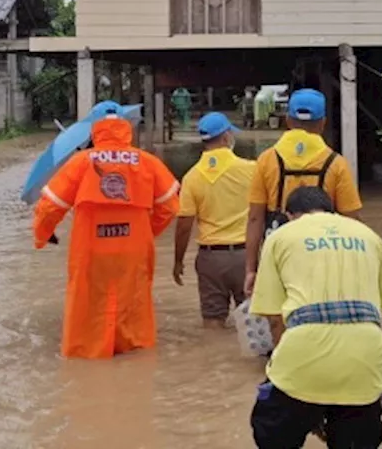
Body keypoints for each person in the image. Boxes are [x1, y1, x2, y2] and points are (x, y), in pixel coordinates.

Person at [249, 187, 382, 449]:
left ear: (290, 215)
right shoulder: (369, 236)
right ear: (332, 212)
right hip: (365, 364)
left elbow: (276, 320)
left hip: (301, 360)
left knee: (272, 431)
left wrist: (302, 389)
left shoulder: (280, 237)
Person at [32, 101, 181, 359]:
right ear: (125, 127)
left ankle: (88, 354)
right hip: (134, 248)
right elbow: (169, 206)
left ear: (95, 129)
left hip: (90, 248)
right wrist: (146, 232)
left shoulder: (79, 162)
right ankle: (133, 349)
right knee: (134, 301)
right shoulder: (148, 162)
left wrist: (42, 235)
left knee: (87, 302)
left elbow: (49, 207)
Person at [245, 88, 361, 297]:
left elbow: (255, 218)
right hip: (324, 253)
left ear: (288, 120)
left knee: (280, 315)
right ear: (323, 122)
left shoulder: (267, 159)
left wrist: (251, 269)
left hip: (279, 252)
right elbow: (351, 221)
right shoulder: (336, 164)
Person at [172, 111, 256, 328]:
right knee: (252, 322)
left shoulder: (192, 177)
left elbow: (183, 226)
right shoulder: (251, 170)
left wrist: (178, 261)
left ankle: (212, 358)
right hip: (246, 256)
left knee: (212, 323)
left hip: (210, 259)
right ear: (227, 137)